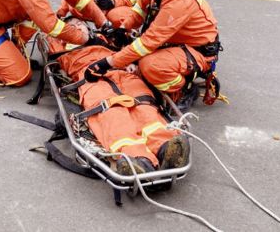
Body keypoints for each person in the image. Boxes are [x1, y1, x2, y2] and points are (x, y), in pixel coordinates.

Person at [84, 0, 222, 111]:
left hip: (197, 50)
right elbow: (139, 11)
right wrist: (122, 29)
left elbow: (148, 42)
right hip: (175, 42)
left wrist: (107, 63)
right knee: (126, 42)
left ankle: (184, 88)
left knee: (150, 66)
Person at [46, 18, 190, 175]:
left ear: (89, 28)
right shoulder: (62, 46)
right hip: (89, 77)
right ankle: (137, 158)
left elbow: (128, 48)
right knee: (111, 111)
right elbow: (49, 31)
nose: (76, 27)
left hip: (119, 71)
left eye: (79, 24)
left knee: (143, 104)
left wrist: (130, 62)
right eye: (71, 27)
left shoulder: (104, 39)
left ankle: (165, 146)